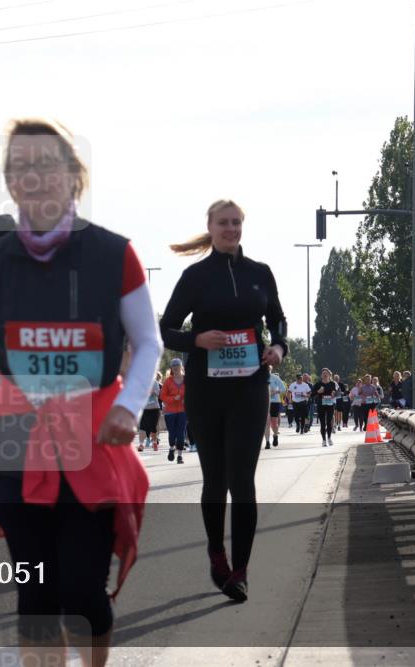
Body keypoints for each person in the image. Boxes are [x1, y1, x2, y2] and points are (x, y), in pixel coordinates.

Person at [0, 117, 160, 667]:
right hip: (16, 438)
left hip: (94, 437)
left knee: (82, 593)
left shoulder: (114, 255)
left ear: (73, 177)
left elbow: (149, 343)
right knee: (36, 595)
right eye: (21, 167)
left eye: (47, 165)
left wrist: (129, 407)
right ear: (9, 181)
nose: (34, 177)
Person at [160, 199, 287, 603]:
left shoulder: (260, 274)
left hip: (250, 387)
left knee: (242, 481)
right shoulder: (195, 277)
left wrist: (279, 347)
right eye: (224, 223)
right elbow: (166, 329)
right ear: (211, 228)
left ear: (242, 227)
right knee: (215, 480)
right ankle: (217, 552)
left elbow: (278, 320)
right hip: (206, 389)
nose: (231, 229)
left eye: (236, 223)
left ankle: (241, 571)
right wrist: (195, 339)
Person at [161, 359, 187, 463]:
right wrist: (173, 399)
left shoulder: (186, 380)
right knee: (172, 434)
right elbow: (162, 396)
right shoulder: (168, 381)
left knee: (180, 434)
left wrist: (187, 398)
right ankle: (172, 448)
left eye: (177, 366)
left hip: (183, 410)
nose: (175, 368)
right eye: (173, 367)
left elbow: (193, 392)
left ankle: (180, 456)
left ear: (181, 367)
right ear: (171, 368)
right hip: (170, 412)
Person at [138, 371, 163, 452]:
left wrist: (151, 391)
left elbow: (158, 393)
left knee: (153, 427)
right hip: (144, 408)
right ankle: (141, 444)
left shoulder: (155, 383)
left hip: (154, 408)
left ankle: (154, 442)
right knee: (142, 427)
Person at [314, 368, 338, 447]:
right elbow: (311, 394)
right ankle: (324, 440)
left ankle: (329, 438)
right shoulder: (318, 384)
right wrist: (318, 392)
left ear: (329, 375)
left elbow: (336, 393)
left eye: (326, 373)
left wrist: (333, 393)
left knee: (329, 422)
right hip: (321, 405)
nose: (325, 374)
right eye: (323, 373)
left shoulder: (332, 383)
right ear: (321, 375)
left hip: (330, 405)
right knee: (323, 423)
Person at [265, 369, 285, 449]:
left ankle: (275, 435)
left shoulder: (275, 377)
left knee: (274, 423)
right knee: (266, 422)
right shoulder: (259, 377)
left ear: (270, 369)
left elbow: (283, 389)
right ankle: (267, 442)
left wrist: (275, 392)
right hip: (264, 402)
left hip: (275, 402)